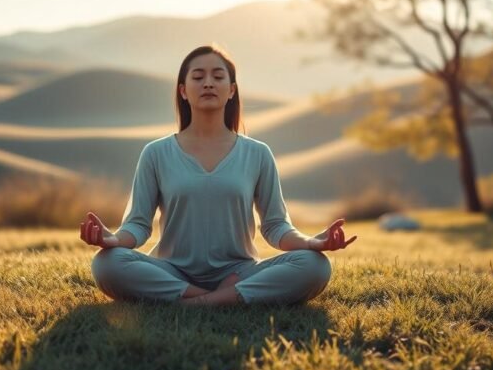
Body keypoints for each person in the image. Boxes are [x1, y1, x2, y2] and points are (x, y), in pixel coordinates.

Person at [79, 45, 357, 305]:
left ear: (232, 90)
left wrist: (311, 242)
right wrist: (113, 240)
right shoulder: (156, 153)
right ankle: (222, 299)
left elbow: (275, 227)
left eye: (218, 76)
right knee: (106, 263)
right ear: (183, 91)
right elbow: (138, 225)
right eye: (198, 77)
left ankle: (197, 303)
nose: (208, 83)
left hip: (239, 272)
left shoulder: (258, 153)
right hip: (172, 271)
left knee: (315, 265)